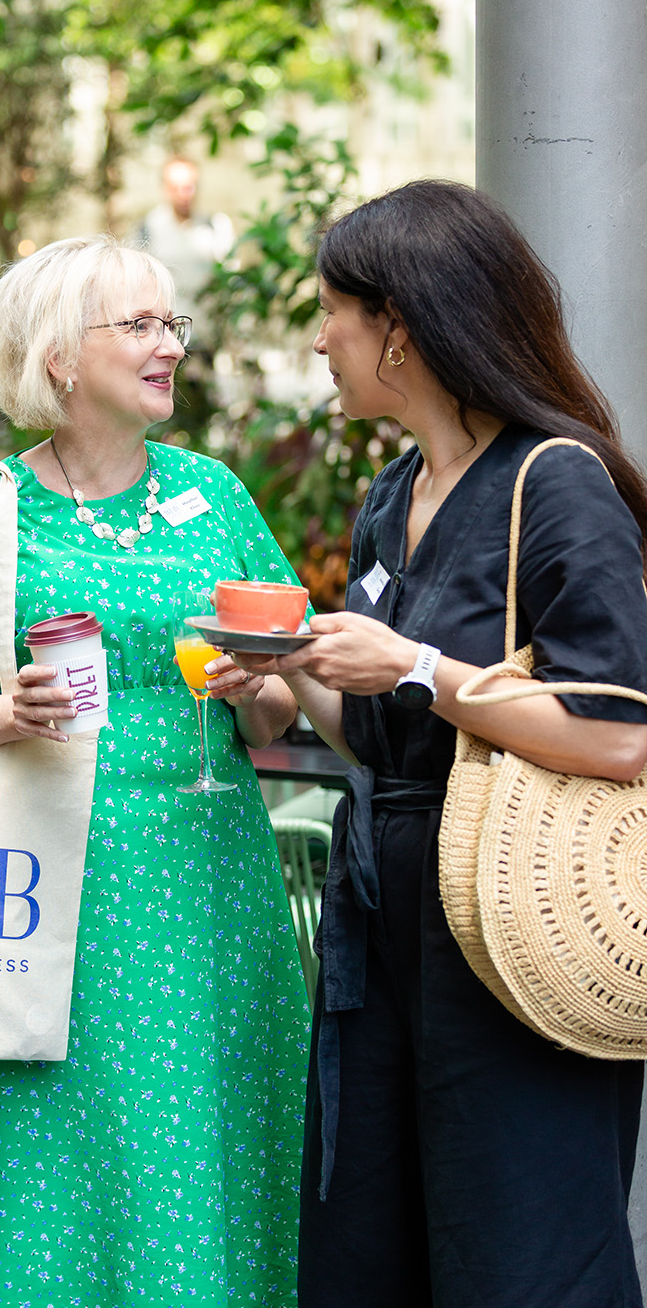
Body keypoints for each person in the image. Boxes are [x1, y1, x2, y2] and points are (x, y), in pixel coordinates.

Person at [0, 236, 310, 1307]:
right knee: (80, 1150)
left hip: (213, 883)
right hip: (56, 890)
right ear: (60, 355)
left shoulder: (215, 495)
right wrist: (1, 711)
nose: (169, 348)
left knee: (216, 1139)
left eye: (172, 326)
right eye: (140, 326)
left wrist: (260, 689)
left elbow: (283, 703)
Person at [233, 180, 647, 1308]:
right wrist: (291, 675)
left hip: (520, 919)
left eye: (333, 313)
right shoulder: (391, 493)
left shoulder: (558, 486)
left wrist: (417, 666)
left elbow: (617, 738)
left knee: (523, 1241)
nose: (320, 339)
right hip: (388, 923)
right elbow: (380, 737)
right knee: (376, 1236)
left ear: (400, 329)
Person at [132, 157, 234, 359]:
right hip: (164, 338)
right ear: (165, 188)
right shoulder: (147, 229)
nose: (183, 194)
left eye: (189, 186)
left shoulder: (215, 226)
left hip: (208, 337)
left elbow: (230, 280)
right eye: (175, 187)